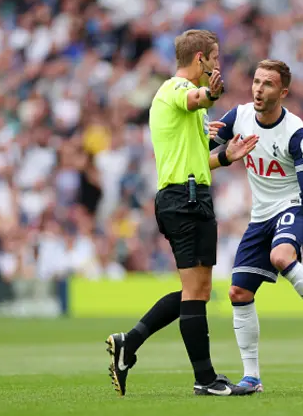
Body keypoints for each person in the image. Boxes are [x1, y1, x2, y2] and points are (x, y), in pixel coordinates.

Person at [105, 30, 259, 397]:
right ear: (200, 59)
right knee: (195, 290)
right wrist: (212, 94)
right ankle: (205, 379)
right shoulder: (172, 89)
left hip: (193, 197)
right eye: (215, 57)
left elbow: (198, 159)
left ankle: (130, 343)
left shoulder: (188, 111)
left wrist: (227, 155)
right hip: (182, 199)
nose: (218, 64)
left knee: (197, 291)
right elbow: (195, 98)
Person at [208, 60, 303, 392]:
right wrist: (221, 152)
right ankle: (252, 377)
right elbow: (201, 151)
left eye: (268, 84)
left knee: (281, 256)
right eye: (256, 82)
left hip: (293, 207)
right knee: (238, 292)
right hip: (260, 215)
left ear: (283, 92)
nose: (259, 89)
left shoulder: (295, 132)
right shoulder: (239, 116)